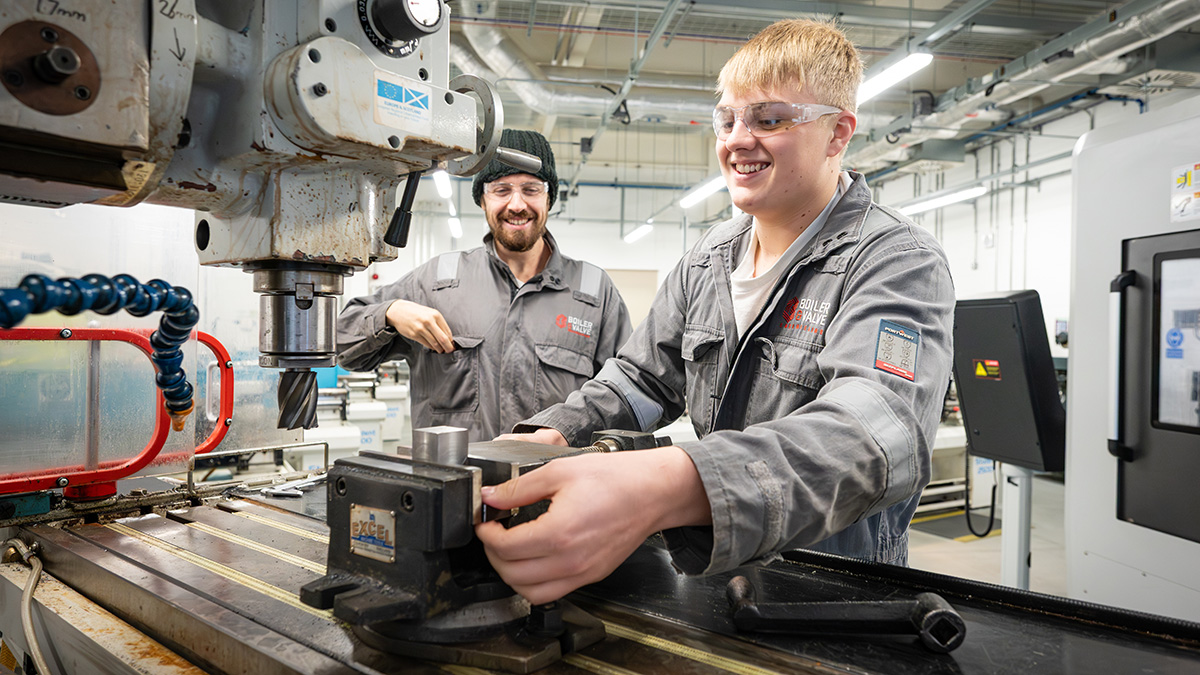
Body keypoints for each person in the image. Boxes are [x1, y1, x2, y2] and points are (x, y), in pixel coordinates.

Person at [475, 19, 955, 605]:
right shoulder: (709, 258)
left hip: (830, 592)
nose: (737, 140)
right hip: (716, 573)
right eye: (727, 119)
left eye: (770, 119)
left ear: (837, 134)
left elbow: (869, 436)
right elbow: (643, 380)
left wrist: (670, 484)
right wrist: (558, 432)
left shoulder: (898, 261)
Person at [336, 129, 633, 442]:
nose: (517, 204)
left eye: (531, 189)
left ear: (550, 198)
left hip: (558, 485)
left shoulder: (594, 292)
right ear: (482, 199)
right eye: (501, 190)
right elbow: (343, 345)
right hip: (453, 485)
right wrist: (390, 313)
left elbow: (627, 394)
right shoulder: (437, 281)